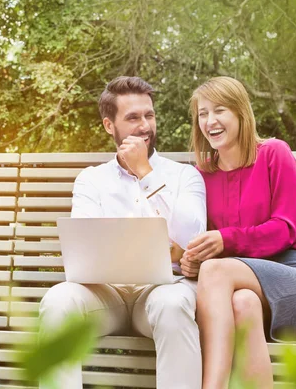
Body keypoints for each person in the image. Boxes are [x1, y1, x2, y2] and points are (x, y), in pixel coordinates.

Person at [39, 76, 207, 389]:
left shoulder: (185, 175)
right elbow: (85, 247)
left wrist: (145, 173)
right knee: (57, 301)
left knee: (174, 305)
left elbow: (190, 237)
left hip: (163, 289)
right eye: (132, 118)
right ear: (109, 126)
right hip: (107, 295)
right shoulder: (91, 181)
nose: (145, 126)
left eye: (149, 115)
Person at [182, 76, 296, 389]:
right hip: (241, 292)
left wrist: (225, 242)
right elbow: (197, 243)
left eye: (219, 110)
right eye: (202, 113)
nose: (210, 121)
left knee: (216, 270)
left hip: (295, 283)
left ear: (241, 113)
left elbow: (286, 230)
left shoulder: (274, 153)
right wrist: (191, 260)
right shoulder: (200, 176)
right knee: (243, 302)